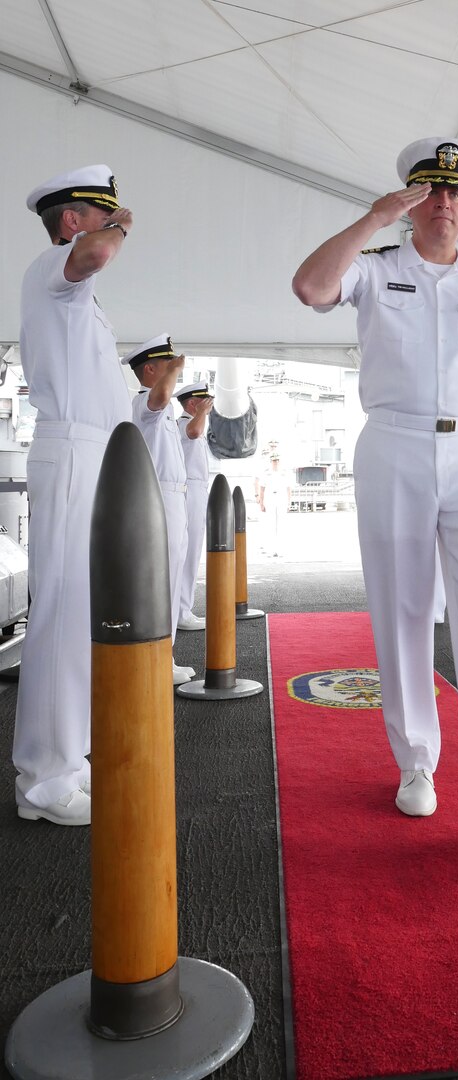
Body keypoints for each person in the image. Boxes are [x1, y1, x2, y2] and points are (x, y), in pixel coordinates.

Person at [292, 137, 458, 844]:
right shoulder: (374, 269)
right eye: (430, 192)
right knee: (403, 611)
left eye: (455, 193)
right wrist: (371, 219)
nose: (444, 203)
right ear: (411, 202)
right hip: (395, 443)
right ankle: (416, 764)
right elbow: (311, 288)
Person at [13, 165, 132, 827]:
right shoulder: (54, 268)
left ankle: (66, 763)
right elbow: (93, 253)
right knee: (60, 614)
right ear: (71, 221)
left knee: (79, 612)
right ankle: (44, 781)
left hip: (93, 454)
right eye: (101, 213)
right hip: (71, 450)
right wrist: (118, 227)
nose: (112, 228)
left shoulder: (71, 290)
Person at [123, 335, 195, 686]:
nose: (175, 371)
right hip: (159, 498)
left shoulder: (164, 411)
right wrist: (176, 370)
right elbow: (162, 395)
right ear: (150, 369)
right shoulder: (145, 404)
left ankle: (163, 656)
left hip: (174, 498)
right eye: (167, 365)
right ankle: (156, 659)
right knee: (159, 582)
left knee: (171, 576)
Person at [176, 382, 214, 630]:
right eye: (204, 401)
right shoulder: (184, 424)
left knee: (192, 551)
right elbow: (193, 433)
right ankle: (181, 611)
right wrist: (201, 413)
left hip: (197, 489)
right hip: (189, 491)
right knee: (187, 553)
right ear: (192, 403)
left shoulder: (194, 422)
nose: (209, 406)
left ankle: (183, 609)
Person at [258, 451, 290, 557]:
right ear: (270, 461)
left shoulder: (284, 472)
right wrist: (261, 503)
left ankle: (281, 549)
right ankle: (270, 549)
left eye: (277, 460)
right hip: (270, 497)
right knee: (270, 524)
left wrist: (289, 503)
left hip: (281, 498)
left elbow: (288, 489)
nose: (275, 462)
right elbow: (262, 489)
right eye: (273, 460)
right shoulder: (266, 473)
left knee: (281, 524)